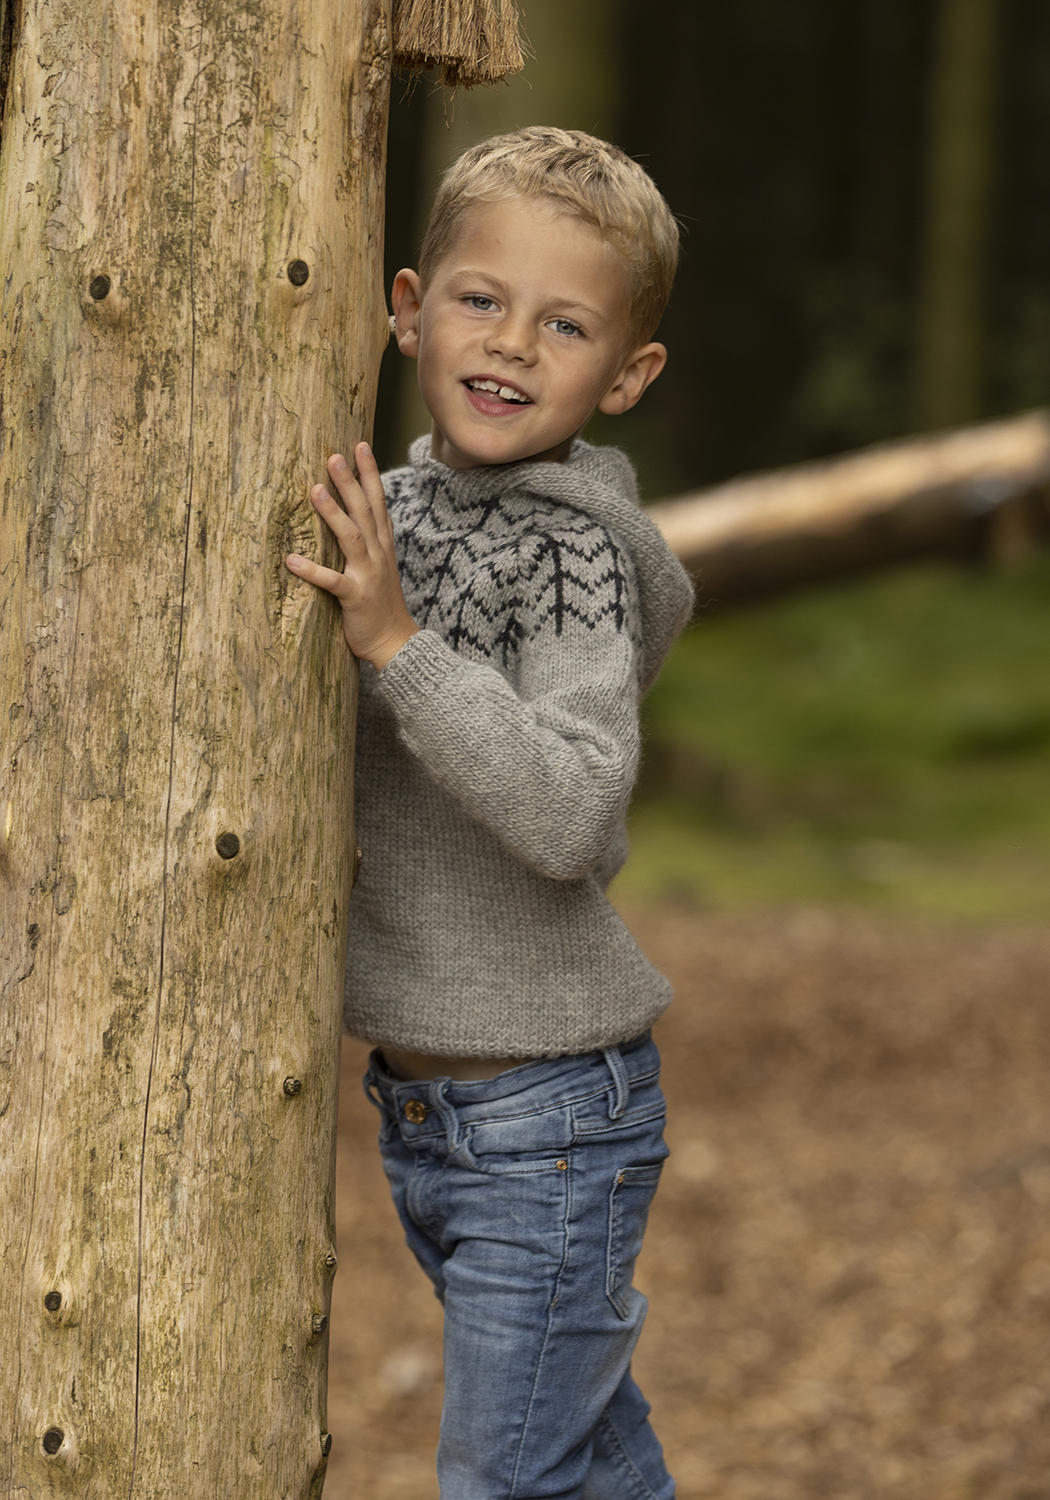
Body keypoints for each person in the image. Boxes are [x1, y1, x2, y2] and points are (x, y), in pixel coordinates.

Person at [286, 126, 693, 1500]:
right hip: (428, 1119)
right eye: (480, 298)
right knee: (586, 1463)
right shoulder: (384, 511)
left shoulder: (572, 555)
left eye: (564, 324)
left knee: (505, 1481)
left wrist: (396, 644)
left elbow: (575, 811)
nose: (511, 344)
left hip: (548, 1126)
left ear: (625, 375)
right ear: (408, 310)